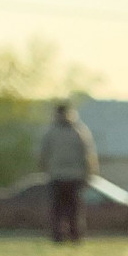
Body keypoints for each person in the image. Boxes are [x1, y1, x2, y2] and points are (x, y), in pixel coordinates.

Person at [37, 101, 97, 243]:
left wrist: (44, 170)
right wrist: (90, 173)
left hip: (57, 176)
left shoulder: (51, 132)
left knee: (58, 210)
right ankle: (75, 236)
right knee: (74, 210)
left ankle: (59, 236)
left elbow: (43, 155)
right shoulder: (80, 131)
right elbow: (88, 155)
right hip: (74, 177)